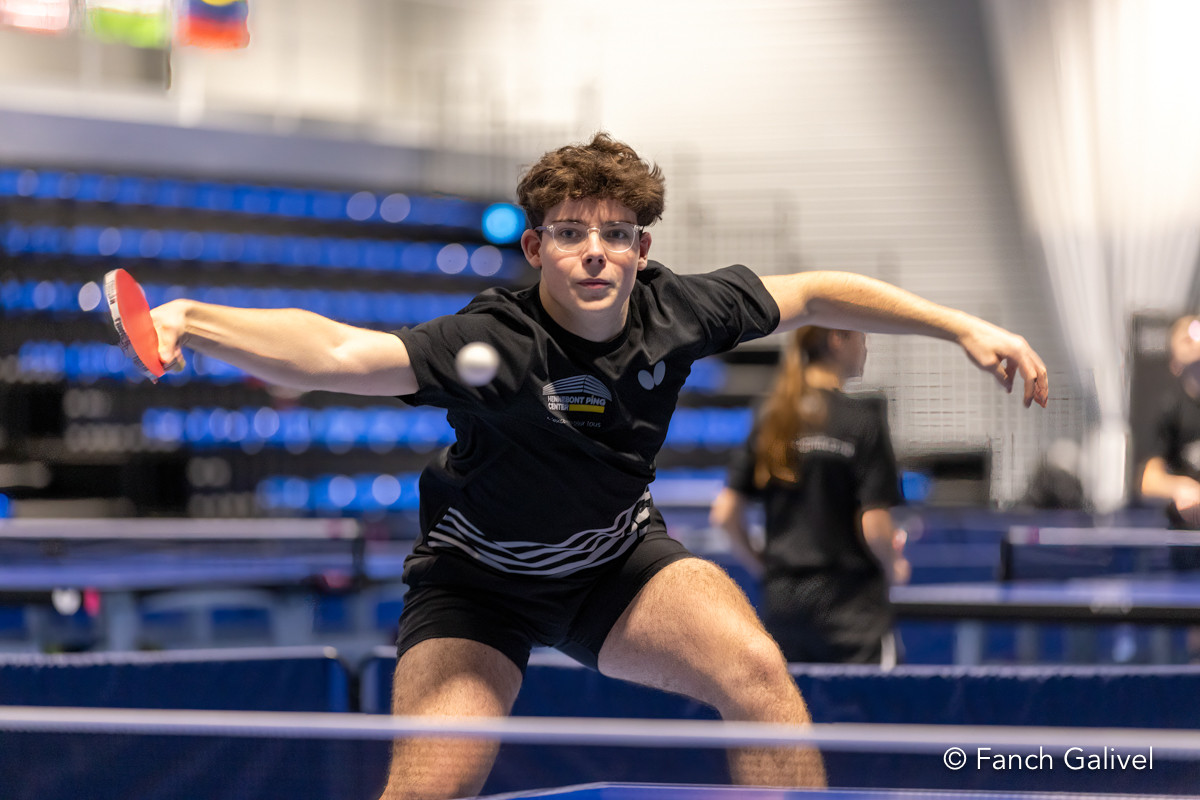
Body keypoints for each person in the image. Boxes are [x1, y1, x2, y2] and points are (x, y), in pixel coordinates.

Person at [146, 133, 1049, 800]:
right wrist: (192, 316)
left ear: (642, 251)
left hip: (616, 566)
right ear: (536, 246)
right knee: (429, 789)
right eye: (571, 232)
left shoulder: (680, 310)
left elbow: (813, 291)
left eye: (617, 235)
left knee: (757, 674)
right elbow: (340, 353)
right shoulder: (490, 341)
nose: (595, 251)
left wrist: (962, 325)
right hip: (478, 585)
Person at [709, 326, 909, 666]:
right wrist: (895, 564)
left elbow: (724, 514)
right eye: (862, 337)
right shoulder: (863, 421)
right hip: (850, 606)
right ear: (837, 339)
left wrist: (765, 567)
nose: (866, 347)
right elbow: (875, 526)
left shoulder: (770, 415)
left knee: (794, 715)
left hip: (784, 604)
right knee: (869, 714)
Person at [1141, 314, 1200, 563]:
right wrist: (1182, 487)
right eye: (1187, 338)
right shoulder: (1169, 409)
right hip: (1186, 543)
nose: (1195, 339)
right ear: (1174, 362)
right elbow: (1149, 482)